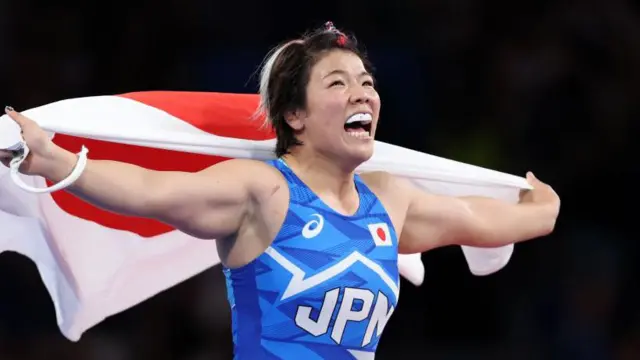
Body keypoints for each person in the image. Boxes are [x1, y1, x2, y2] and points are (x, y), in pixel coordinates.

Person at [0, 22, 560, 360]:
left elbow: (491, 219)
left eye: (367, 83)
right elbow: (151, 191)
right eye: (338, 84)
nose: (362, 94)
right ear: (294, 115)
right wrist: (56, 160)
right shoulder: (264, 190)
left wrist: (544, 205)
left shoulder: (392, 200)